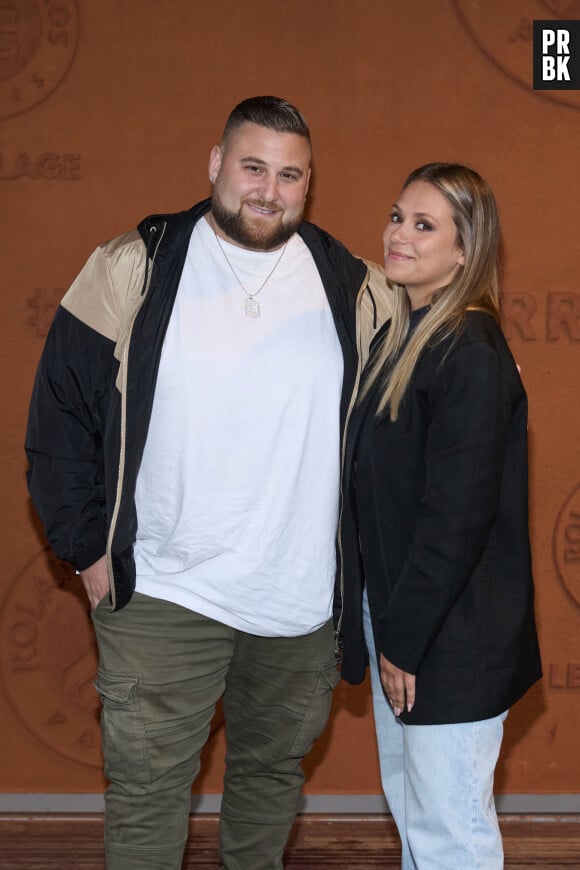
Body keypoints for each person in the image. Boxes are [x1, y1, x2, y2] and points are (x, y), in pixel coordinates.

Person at [25, 96, 389, 870]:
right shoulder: (136, 263)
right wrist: (85, 547)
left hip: (297, 604)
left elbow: (416, 395)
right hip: (163, 591)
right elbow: (58, 415)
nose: (269, 189)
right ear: (217, 165)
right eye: (253, 167)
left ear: (309, 183)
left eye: (290, 174)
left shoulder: (351, 285)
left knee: (269, 781)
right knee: (148, 788)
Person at [339, 163, 542, 869]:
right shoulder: (411, 335)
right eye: (398, 216)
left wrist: (404, 640)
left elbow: (455, 520)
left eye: (424, 225)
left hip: (448, 637)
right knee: (421, 820)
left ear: (464, 251)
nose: (399, 234)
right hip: (407, 621)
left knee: (450, 834)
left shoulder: (470, 353)